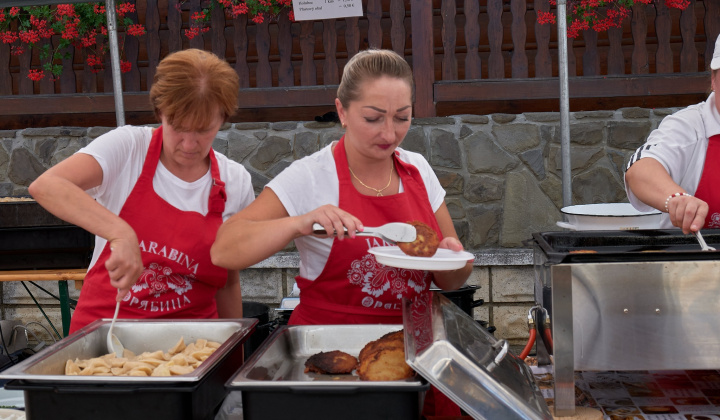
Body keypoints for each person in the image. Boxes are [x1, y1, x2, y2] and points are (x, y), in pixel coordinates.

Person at [211, 49, 470, 416]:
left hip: (412, 356)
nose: (389, 133)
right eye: (373, 118)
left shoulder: (419, 170)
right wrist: (300, 222)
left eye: (402, 118)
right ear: (342, 111)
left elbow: (451, 278)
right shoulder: (311, 176)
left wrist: (451, 257)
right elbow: (225, 249)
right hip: (330, 360)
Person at [29, 49, 254, 334]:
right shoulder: (127, 148)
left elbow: (228, 281)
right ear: (160, 112)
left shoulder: (235, 182)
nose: (188, 144)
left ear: (223, 118)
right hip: (106, 336)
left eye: (203, 130)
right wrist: (120, 233)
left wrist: (233, 356)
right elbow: (47, 186)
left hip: (195, 346)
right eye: (178, 127)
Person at [625, 34, 720, 234]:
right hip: (691, 262)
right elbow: (640, 170)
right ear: (713, 80)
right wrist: (677, 199)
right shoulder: (689, 126)